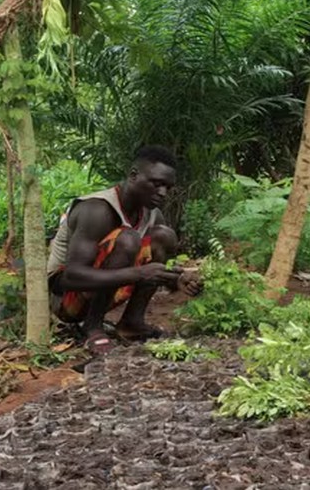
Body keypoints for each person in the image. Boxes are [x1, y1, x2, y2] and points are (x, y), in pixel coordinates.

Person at [47, 145, 201, 355]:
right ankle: (92, 326)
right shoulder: (97, 210)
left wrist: (176, 280)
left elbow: (149, 266)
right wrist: (139, 273)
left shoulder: (151, 213)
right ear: (133, 175)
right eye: (156, 184)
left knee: (164, 236)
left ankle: (132, 323)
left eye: (168, 187)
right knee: (128, 238)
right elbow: (70, 277)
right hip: (66, 300)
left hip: (103, 286)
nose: (163, 193)